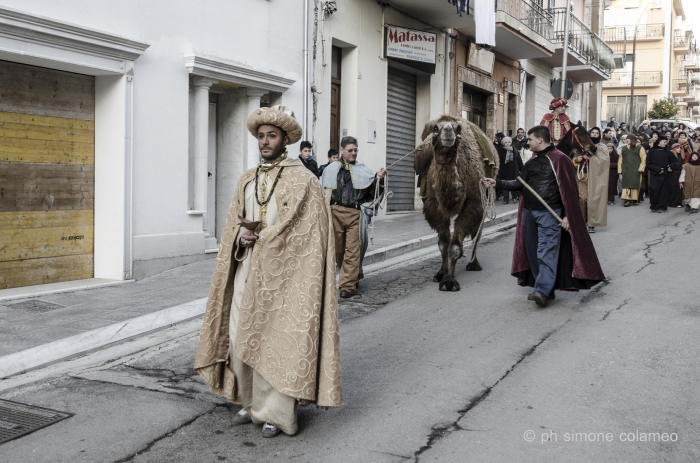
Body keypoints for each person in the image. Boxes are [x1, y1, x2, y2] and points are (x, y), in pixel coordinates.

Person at [194, 106, 343, 438]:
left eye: (271, 136)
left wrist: (268, 238)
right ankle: (250, 404)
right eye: (260, 136)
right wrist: (240, 236)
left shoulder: (304, 179)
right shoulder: (247, 178)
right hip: (246, 268)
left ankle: (276, 414)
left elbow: (311, 233)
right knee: (237, 337)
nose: (264, 141)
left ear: (285, 140)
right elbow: (233, 222)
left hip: (287, 277)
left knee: (276, 340)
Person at [482, 125, 605, 307]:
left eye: (530, 139)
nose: (528, 142)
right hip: (529, 214)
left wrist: (568, 217)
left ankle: (541, 291)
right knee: (532, 252)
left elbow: (570, 193)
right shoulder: (531, 162)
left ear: (540, 139)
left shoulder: (560, 160)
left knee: (546, 252)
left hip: (550, 214)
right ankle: (547, 288)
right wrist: (496, 182)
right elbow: (520, 184)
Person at [321, 136, 386, 298]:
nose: (354, 153)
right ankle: (352, 273)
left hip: (355, 215)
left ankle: (347, 285)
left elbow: (372, 192)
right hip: (335, 213)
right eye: (350, 150)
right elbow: (322, 191)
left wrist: (379, 179)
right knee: (338, 251)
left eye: (356, 150)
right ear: (342, 151)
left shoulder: (364, 169)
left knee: (352, 250)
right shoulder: (329, 169)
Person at [574, 127, 609, 233]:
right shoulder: (583, 145)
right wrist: (577, 159)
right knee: (582, 198)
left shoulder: (602, 147)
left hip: (596, 177)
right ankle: (582, 221)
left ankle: (591, 224)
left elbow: (604, 161)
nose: (594, 134)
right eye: (592, 132)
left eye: (596, 133)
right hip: (582, 175)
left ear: (599, 135)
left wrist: (590, 157)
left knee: (593, 199)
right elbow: (574, 158)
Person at [646, 135, 678, 213]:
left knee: (664, 191)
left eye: (666, 142)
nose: (665, 143)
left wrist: (671, 166)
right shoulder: (652, 151)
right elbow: (649, 164)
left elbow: (674, 161)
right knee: (654, 189)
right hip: (655, 174)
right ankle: (654, 206)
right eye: (664, 142)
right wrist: (658, 169)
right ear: (659, 142)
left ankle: (662, 207)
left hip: (665, 174)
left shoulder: (667, 151)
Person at [618, 134, 647, 207]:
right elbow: (620, 160)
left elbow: (643, 159)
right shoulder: (624, 148)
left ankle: (634, 199)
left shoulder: (639, 148)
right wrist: (620, 169)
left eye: (628, 139)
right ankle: (627, 199)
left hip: (636, 169)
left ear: (633, 140)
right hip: (626, 169)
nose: (626, 140)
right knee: (626, 184)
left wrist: (641, 168)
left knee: (635, 184)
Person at [497, 136, 523, 204]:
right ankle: (506, 199)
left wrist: (522, 169)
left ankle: (514, 197)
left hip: (513, 170)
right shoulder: (500, 151)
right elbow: (498, 161)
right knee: (505, 185)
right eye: (506, 142)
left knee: (513, 184)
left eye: (509, 142)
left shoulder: (515, 151)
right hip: (504, 170)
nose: (507, 143)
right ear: (503, 143)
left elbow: (519, 161)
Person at [668, 143, 685, 208]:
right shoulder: (670, 155)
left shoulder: (681, 156)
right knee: (672, 188)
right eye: (677, 148)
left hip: (680, 173)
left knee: (679, 188)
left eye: (680, 148)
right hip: (672, 174)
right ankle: (671, 202)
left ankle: (678, 202)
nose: (679, 150)